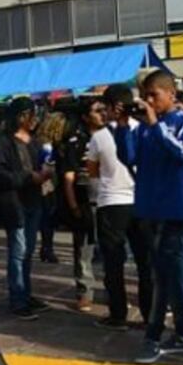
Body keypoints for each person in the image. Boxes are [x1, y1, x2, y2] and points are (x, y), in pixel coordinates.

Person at [114, 70, 183, 364]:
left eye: (155, 95)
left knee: (164, 276)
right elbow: (129, 157)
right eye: (146, 96)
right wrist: (124, 126)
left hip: (174, 209)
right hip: (148, 209)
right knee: (165, 275)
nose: (149, 101)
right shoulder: (144, 127)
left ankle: (154, 335)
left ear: (171, 95)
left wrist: (155, 125)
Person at [89, 84, 154, 331]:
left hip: (111, 202)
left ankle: (118, 314)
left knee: (114, 263)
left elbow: (93, 173)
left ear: (110, 107)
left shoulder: (99, 136)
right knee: (145, 262)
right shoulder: (146, 129)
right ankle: (149, 313)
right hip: (140, 201)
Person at [0, 98, 52, 320]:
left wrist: (45, 173)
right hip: (14, 204)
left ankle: (25, 292)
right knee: (18, 252)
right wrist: (27, 177)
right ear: (20, 116)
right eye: (31, 115)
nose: (34, 119)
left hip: (33, 201)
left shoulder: (34, 142)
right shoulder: (1, 142)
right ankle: (18, 299)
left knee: (28, 252)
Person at [56, 99, 104, 313]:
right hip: (85, 200)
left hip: (110, 199)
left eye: (104, 109)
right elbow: (69, 176)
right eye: (97, 110)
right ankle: (84, 293)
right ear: (86, 116)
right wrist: (73, 205)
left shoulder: (112, 136)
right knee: (84, 249)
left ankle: (114, 291)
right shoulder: (76, 141)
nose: (103, 113)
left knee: (113, 250)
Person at [35, 113, 63, 264]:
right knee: (47, 216)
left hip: (46, 182)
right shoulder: (47, 147)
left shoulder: (42, 144)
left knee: (47, 217)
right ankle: (47, 248)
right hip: (48, 184)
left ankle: (46, 247)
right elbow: (47, 168)